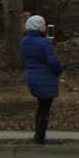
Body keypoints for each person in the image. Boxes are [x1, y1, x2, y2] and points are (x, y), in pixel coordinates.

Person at [21, 14, 63, 143]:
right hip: (45, 78)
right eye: (43, 25)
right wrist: (59, 70)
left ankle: (38, 134)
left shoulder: (24, 42)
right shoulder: (44, 43)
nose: (45, 27)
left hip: (32, 77)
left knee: (41, 106)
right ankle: (40, 136)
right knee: (45, 108)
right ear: (39, 27)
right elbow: (52, 61)